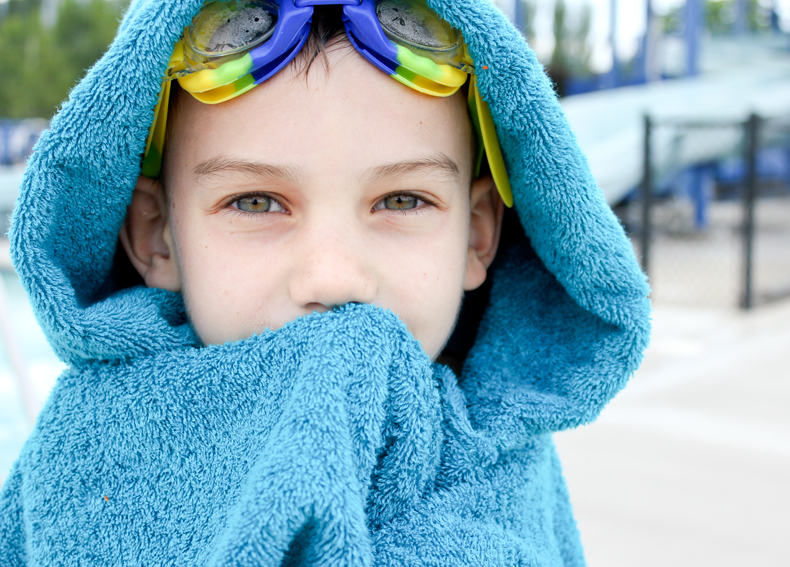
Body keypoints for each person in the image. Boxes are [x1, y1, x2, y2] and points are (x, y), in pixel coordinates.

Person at [0, 0, 651, 565]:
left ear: (478, 234)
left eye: (401, 201)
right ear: (155, 235)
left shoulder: (507, 469)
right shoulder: (86, 462)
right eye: (256, 202)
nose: (335, 278)